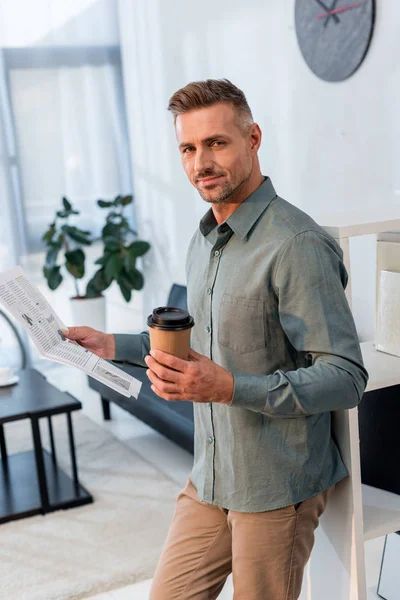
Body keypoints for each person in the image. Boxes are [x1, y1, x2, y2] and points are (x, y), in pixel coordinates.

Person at [63, 79, 369, 599]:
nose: (201, 161)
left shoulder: (297, 245)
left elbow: (345, 378)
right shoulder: (206, 240)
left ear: (253, 139)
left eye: (217, 143)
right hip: (211, 477)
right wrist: (112, 345)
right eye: (188, 147)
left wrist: (229, 387)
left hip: (275, 488)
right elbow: (192, 343)